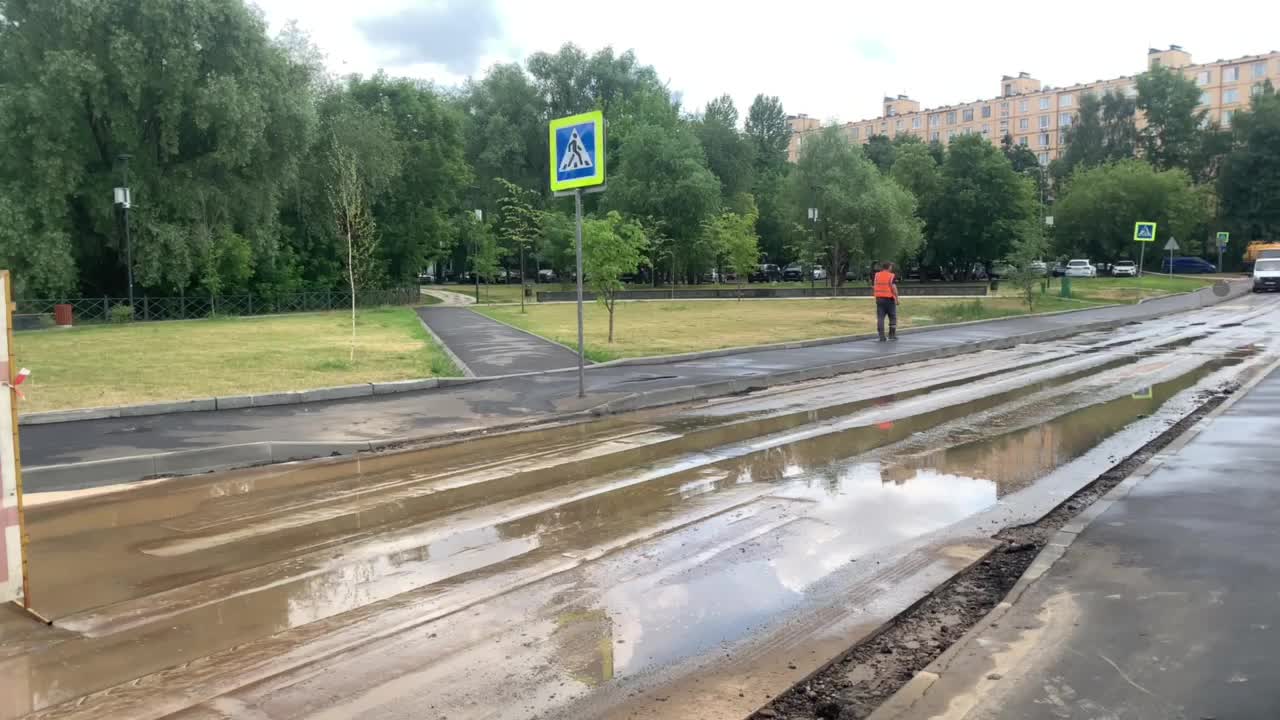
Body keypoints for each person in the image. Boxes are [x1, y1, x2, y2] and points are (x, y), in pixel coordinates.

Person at [873, 261, 899, 341]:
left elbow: (874, 285)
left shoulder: (877, 275)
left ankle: (881, 336)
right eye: (891, 266)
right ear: (889, 267)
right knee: (892, 317)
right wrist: (897, 299)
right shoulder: (891, 276)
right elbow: (894, 288)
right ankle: (892, 335)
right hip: (889, 299)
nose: (891, 268)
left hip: (879, 299)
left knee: (880, 317)